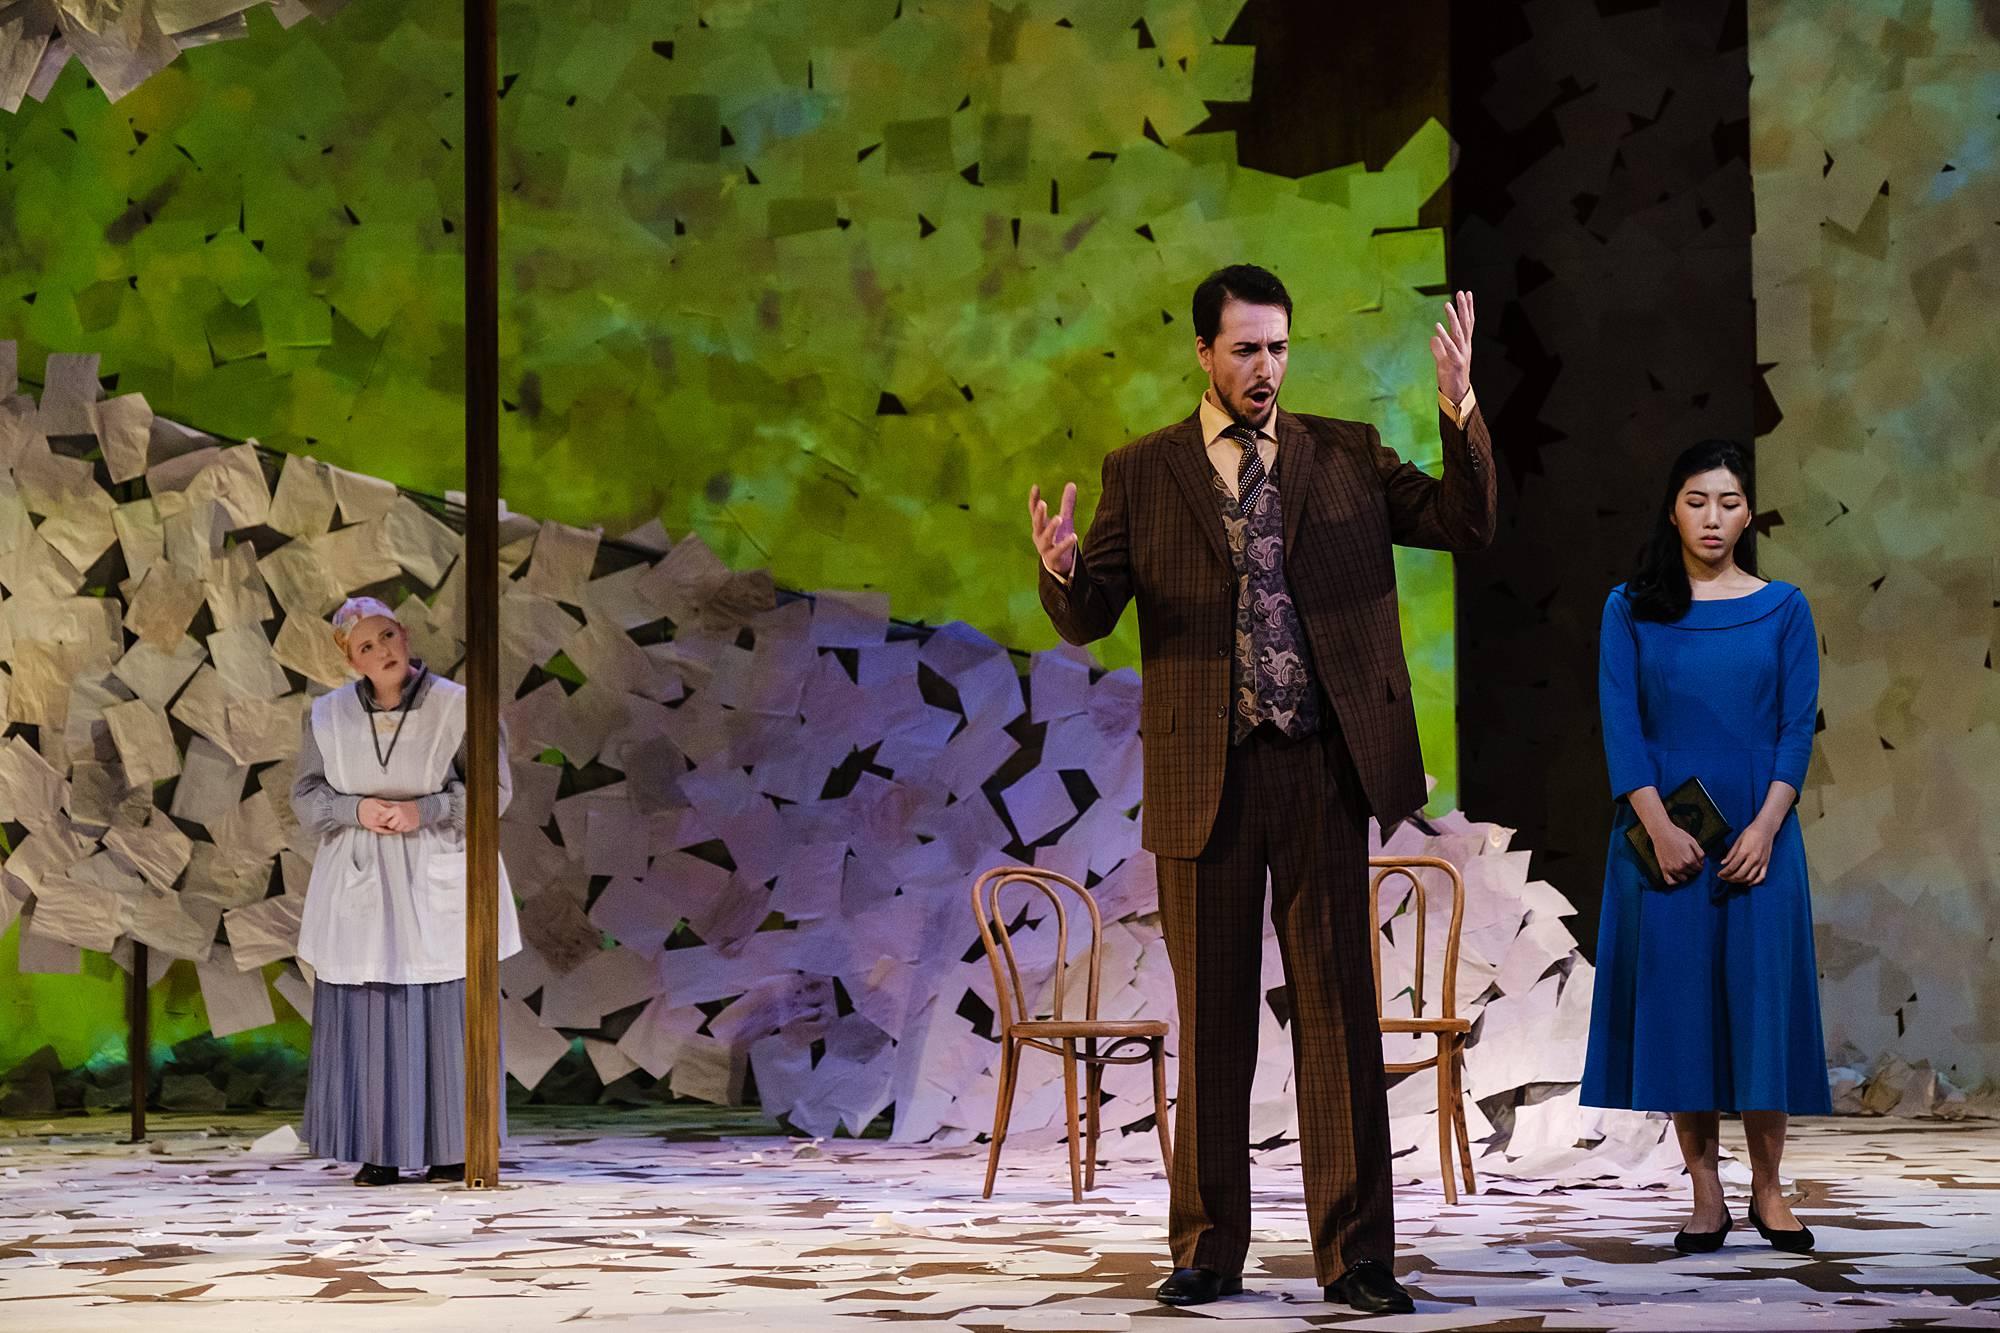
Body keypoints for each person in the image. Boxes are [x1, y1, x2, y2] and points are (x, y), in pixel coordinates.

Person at [1029, 265, 1496, 1312]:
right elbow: (1091, 610)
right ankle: (1204, 1245)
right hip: (1210, 773)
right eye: (1244, 349)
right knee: (1213, 1019)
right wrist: (1059, 573)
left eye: (1277, 347)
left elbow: (1465, 525)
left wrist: (1458, 404)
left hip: (1321, 765)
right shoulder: (1142, 472)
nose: (1264, 368)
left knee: (1337, 1017)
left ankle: (1355, 1257)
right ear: (1202, 353)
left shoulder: (1344, 454)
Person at [1581, 440, 1830, 1255]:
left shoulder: (1784, 606)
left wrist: (1764, 828)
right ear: (1673, 508)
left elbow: (1797, 728)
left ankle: (1768, 1189)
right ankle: (1704, 1192)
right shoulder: (1631, 606)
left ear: (1747, 511)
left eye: (1727, 501)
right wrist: (1658, 825)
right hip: (1666, 840)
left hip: (1760, 841)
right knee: (1683, 1012)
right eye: (1696, 500)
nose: (1712, 517)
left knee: (1760, 1010)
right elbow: (1623, 726)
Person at [294, 596, 521, 1186]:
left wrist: (429, 809)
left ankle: (455, 1144)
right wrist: (355, 807)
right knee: (371, 1008)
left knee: (446, 1008)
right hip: (361, 871)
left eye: (388, 636)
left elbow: (492, 792)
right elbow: (307, 796)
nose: (382, 651)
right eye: (366, 646)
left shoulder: (460, 707)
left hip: (437, 864)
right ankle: (379, 1148)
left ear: (406, 634)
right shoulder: (326, 715)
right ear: (349, 658)